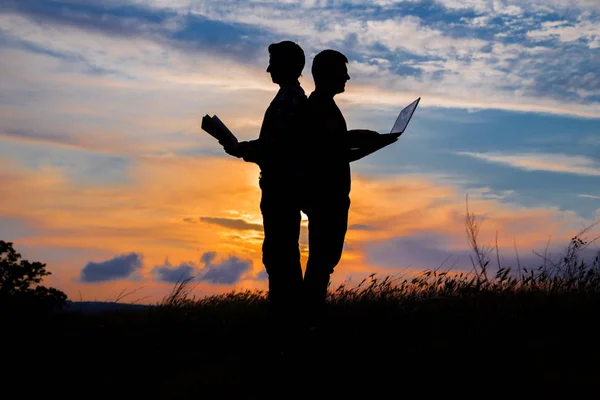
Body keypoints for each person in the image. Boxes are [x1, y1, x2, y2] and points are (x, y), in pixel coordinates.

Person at [299, 49, 397, 329]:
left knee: (323, 261)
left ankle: (311, 318)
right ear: (328, 75)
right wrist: (373, 145)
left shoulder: (322, 105)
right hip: (326, 198)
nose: (348, 77)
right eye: (343, 72)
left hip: (328, 197)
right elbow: (334, 153)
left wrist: (366, 136)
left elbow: (337, 141)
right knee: (322, 262)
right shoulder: (319, 106)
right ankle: (311, 321)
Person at [224, 41, 308, 336]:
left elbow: (277, 146)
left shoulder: (289, 99)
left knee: (280, 254)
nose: (268, 68)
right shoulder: (290, 97)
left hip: (281, 188)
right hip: (279, 187)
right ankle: (287, 322)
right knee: (280, 253)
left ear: (287, 65)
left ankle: (286, 326)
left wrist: (239, 148)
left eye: (273, 61)